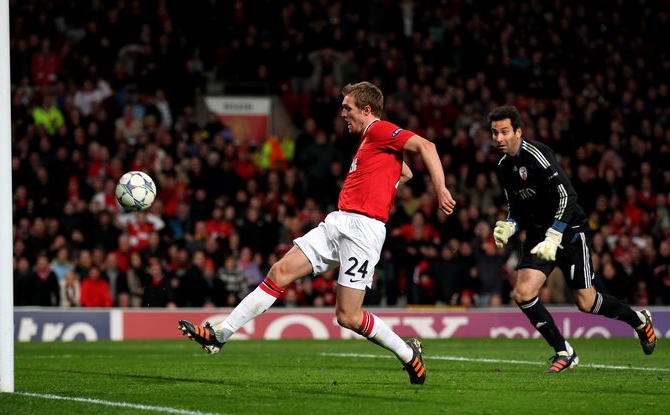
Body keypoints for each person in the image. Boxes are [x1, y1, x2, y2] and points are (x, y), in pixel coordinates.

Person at [178, 81, 455, 385]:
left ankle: (407, 353)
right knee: (280, 271)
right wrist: (391, 177)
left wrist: (440, 188)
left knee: (348, 316)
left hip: (363, 231)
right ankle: (220, 334)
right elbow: (406, 171)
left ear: (367, 109)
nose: (342, 113)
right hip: (338, 222)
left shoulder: (378, 129)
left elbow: (427, 146)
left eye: (347, 108)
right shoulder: (369, 141)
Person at [488, 105, 657, 373]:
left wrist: (555, 234)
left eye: (504, 131)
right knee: (522, 293)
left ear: (518, 132)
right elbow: (517, 208)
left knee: (586, 302)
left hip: (569, 230)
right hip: (538, 234)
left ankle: (638, 320)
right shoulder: (503, 166)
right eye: (495, 132)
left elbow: (568, 195)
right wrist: (510, 224)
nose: (499, 138)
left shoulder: (538, 154)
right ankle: (564, 351)